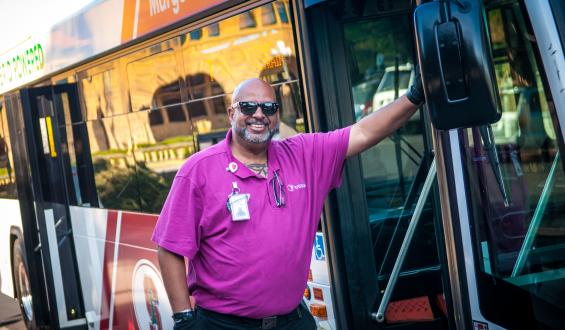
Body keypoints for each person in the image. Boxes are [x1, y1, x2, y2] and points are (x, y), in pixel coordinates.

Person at [152, 75, 425, 329]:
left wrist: (414, 95)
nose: (259, 114)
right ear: (231, 113)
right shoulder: (198, 171)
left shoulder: (303, 155)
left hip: (291, 320)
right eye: (248, 106)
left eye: (269, 108)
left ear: (277, 115)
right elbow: (170, 249)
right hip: (223, 324)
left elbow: (363, 133)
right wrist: (184, 319)